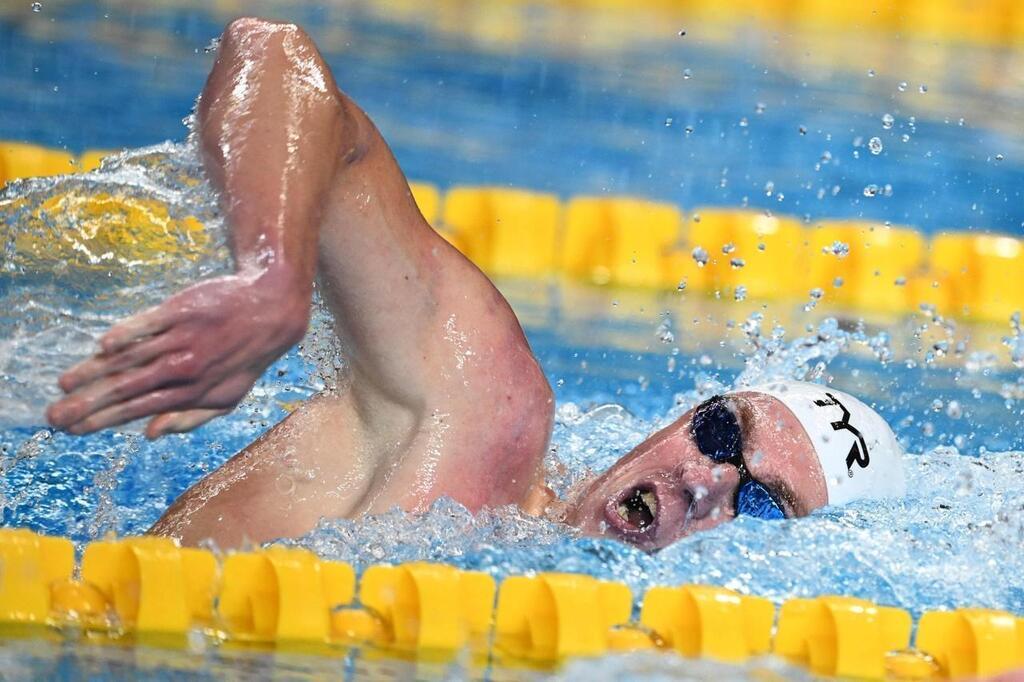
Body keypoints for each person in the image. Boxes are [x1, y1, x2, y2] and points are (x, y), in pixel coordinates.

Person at [44, 17, 906, 551]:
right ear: (684, 416)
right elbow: (271, 55)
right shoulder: (477, 416)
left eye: (759, 506)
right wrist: (271, 275)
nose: (704, 478)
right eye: (722, 433)